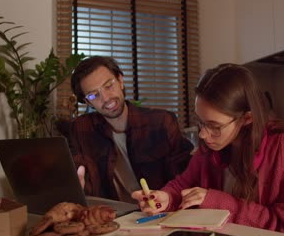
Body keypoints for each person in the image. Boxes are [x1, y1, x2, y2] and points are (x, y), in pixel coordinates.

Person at [131, 63, 284, 236]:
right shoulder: (210, 147)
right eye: (200, 122)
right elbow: (183, 185)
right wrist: (165, 199)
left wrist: (217, 202)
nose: (203, 134)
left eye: (214, 126)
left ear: (246, 119)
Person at [69, 56, 194, 203]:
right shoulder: (81, 128)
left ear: (121, 80)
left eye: (109, 85)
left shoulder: (161, 122)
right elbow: (82, 181)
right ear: (87, 101)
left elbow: (186, 179)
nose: (106, 98)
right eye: (93, 95)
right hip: (113, 217)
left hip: (160, 213)